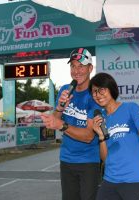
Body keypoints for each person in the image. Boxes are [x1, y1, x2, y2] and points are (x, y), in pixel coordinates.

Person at [89, 72, 139, 200]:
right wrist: (101, 136)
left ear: (111, 89)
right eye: (94, 92)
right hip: (110, 180)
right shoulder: (100, 118)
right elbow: (105, 158)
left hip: (136, 179)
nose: (98, 95)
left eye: (101, 90)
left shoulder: (131, 108)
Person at [41, 48, 100, 200]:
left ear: (90, 68)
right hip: (66, 160)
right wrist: (60, 108)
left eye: (81, 66)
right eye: (73, 66)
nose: (76, 71)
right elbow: (54, 120)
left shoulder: (95, 95)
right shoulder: (65, 90)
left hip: (88, 162)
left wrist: (62, 125)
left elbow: (88, 136)